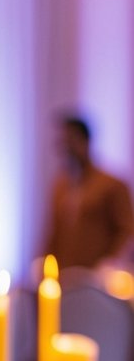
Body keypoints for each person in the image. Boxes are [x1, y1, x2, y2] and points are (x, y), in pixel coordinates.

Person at [45, 115, 134, 269]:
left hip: (97, 278)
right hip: (66, 275)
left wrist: (109, 263)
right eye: (63, 143)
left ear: (85, 141)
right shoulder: (60, 186)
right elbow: (54, 233)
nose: (66, 148)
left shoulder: (111, 184)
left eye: (70, 141)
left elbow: (126, 230)